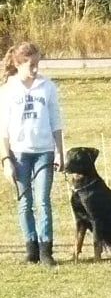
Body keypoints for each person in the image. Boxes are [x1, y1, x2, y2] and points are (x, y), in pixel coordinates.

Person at [0, 42, 65, 266]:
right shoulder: (8, 90)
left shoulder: (47, 87)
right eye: (31, 65)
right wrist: (6, 160)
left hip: (43, 152)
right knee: (24, 202)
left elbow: (56, 121)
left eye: (37, 64)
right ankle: (31, 248)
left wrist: (59, 152)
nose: (35, 69)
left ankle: (47, 250)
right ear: (18, 64)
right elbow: (3, 129)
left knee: (43, 201)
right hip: (19, 154)